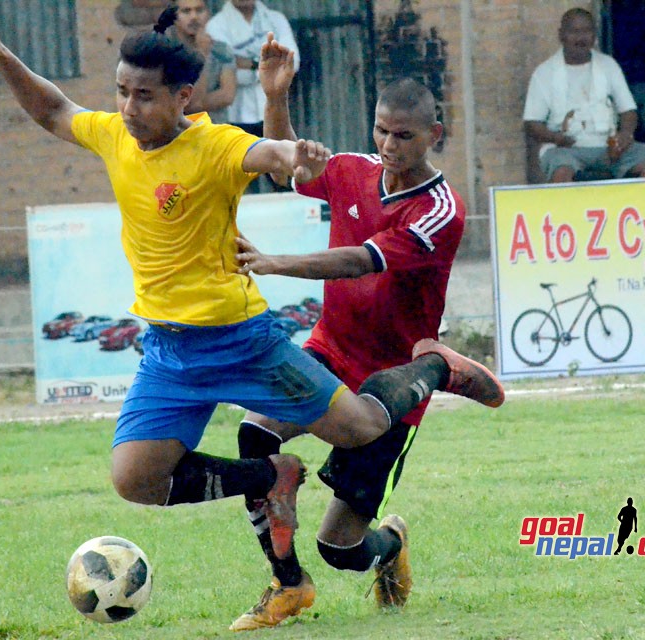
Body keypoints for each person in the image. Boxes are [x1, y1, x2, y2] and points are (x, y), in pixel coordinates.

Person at [0, 5, 504, 611]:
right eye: (122, 93)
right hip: (169, 351)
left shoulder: (214, 145)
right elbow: (55, 109)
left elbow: (272, 160)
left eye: (144, 96)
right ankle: (284, 552)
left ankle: (435, 370)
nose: (129, 108)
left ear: (182, 96)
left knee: (356, 467)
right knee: (136, 479)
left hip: (246, 344)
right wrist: (2, 56)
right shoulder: (114, 135)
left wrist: (292, 157)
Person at [226, 35, 479, 631]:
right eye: (382, 131)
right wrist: (276, 97)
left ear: (433, 136)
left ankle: (389, 544)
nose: (389, 146)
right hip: (329, 354)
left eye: (405, 136)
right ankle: (286, 584)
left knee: (340, 548)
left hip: (390, 388)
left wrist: (278, 262)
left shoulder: (442, 210)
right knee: (253, 433)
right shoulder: (354, 171)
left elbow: (360, 260)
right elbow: (289, 164)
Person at [523, 8, 645, 183]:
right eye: (574, 32)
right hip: (565, 149)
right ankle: (567, 211)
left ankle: (643, 209)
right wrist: (556, 138)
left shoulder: (608, 65)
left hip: (608, 147)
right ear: (561, 35)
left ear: (594, 34)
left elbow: (628, 110)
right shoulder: (544, 73)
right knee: (561, 169)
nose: (581, 38)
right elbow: (532, 123)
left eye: (586, 31)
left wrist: (624, 136)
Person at [206, 0, 298, 137]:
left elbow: (293, 63)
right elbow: (227, 74)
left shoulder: (276, 20)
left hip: (275, 115)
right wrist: (267, 68)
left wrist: (244, 63)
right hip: (234, 117)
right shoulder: (215, 26)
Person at [172, 0, 236, 124]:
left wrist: (194, 104)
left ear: (208, 14)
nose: (194, 17)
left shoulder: (221, 50)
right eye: (186, 11)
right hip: (181, 132)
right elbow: (189, 103)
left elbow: (228, 95)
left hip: (216, 131)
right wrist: (202, 55)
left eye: (199, 10)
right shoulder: (166, 51)